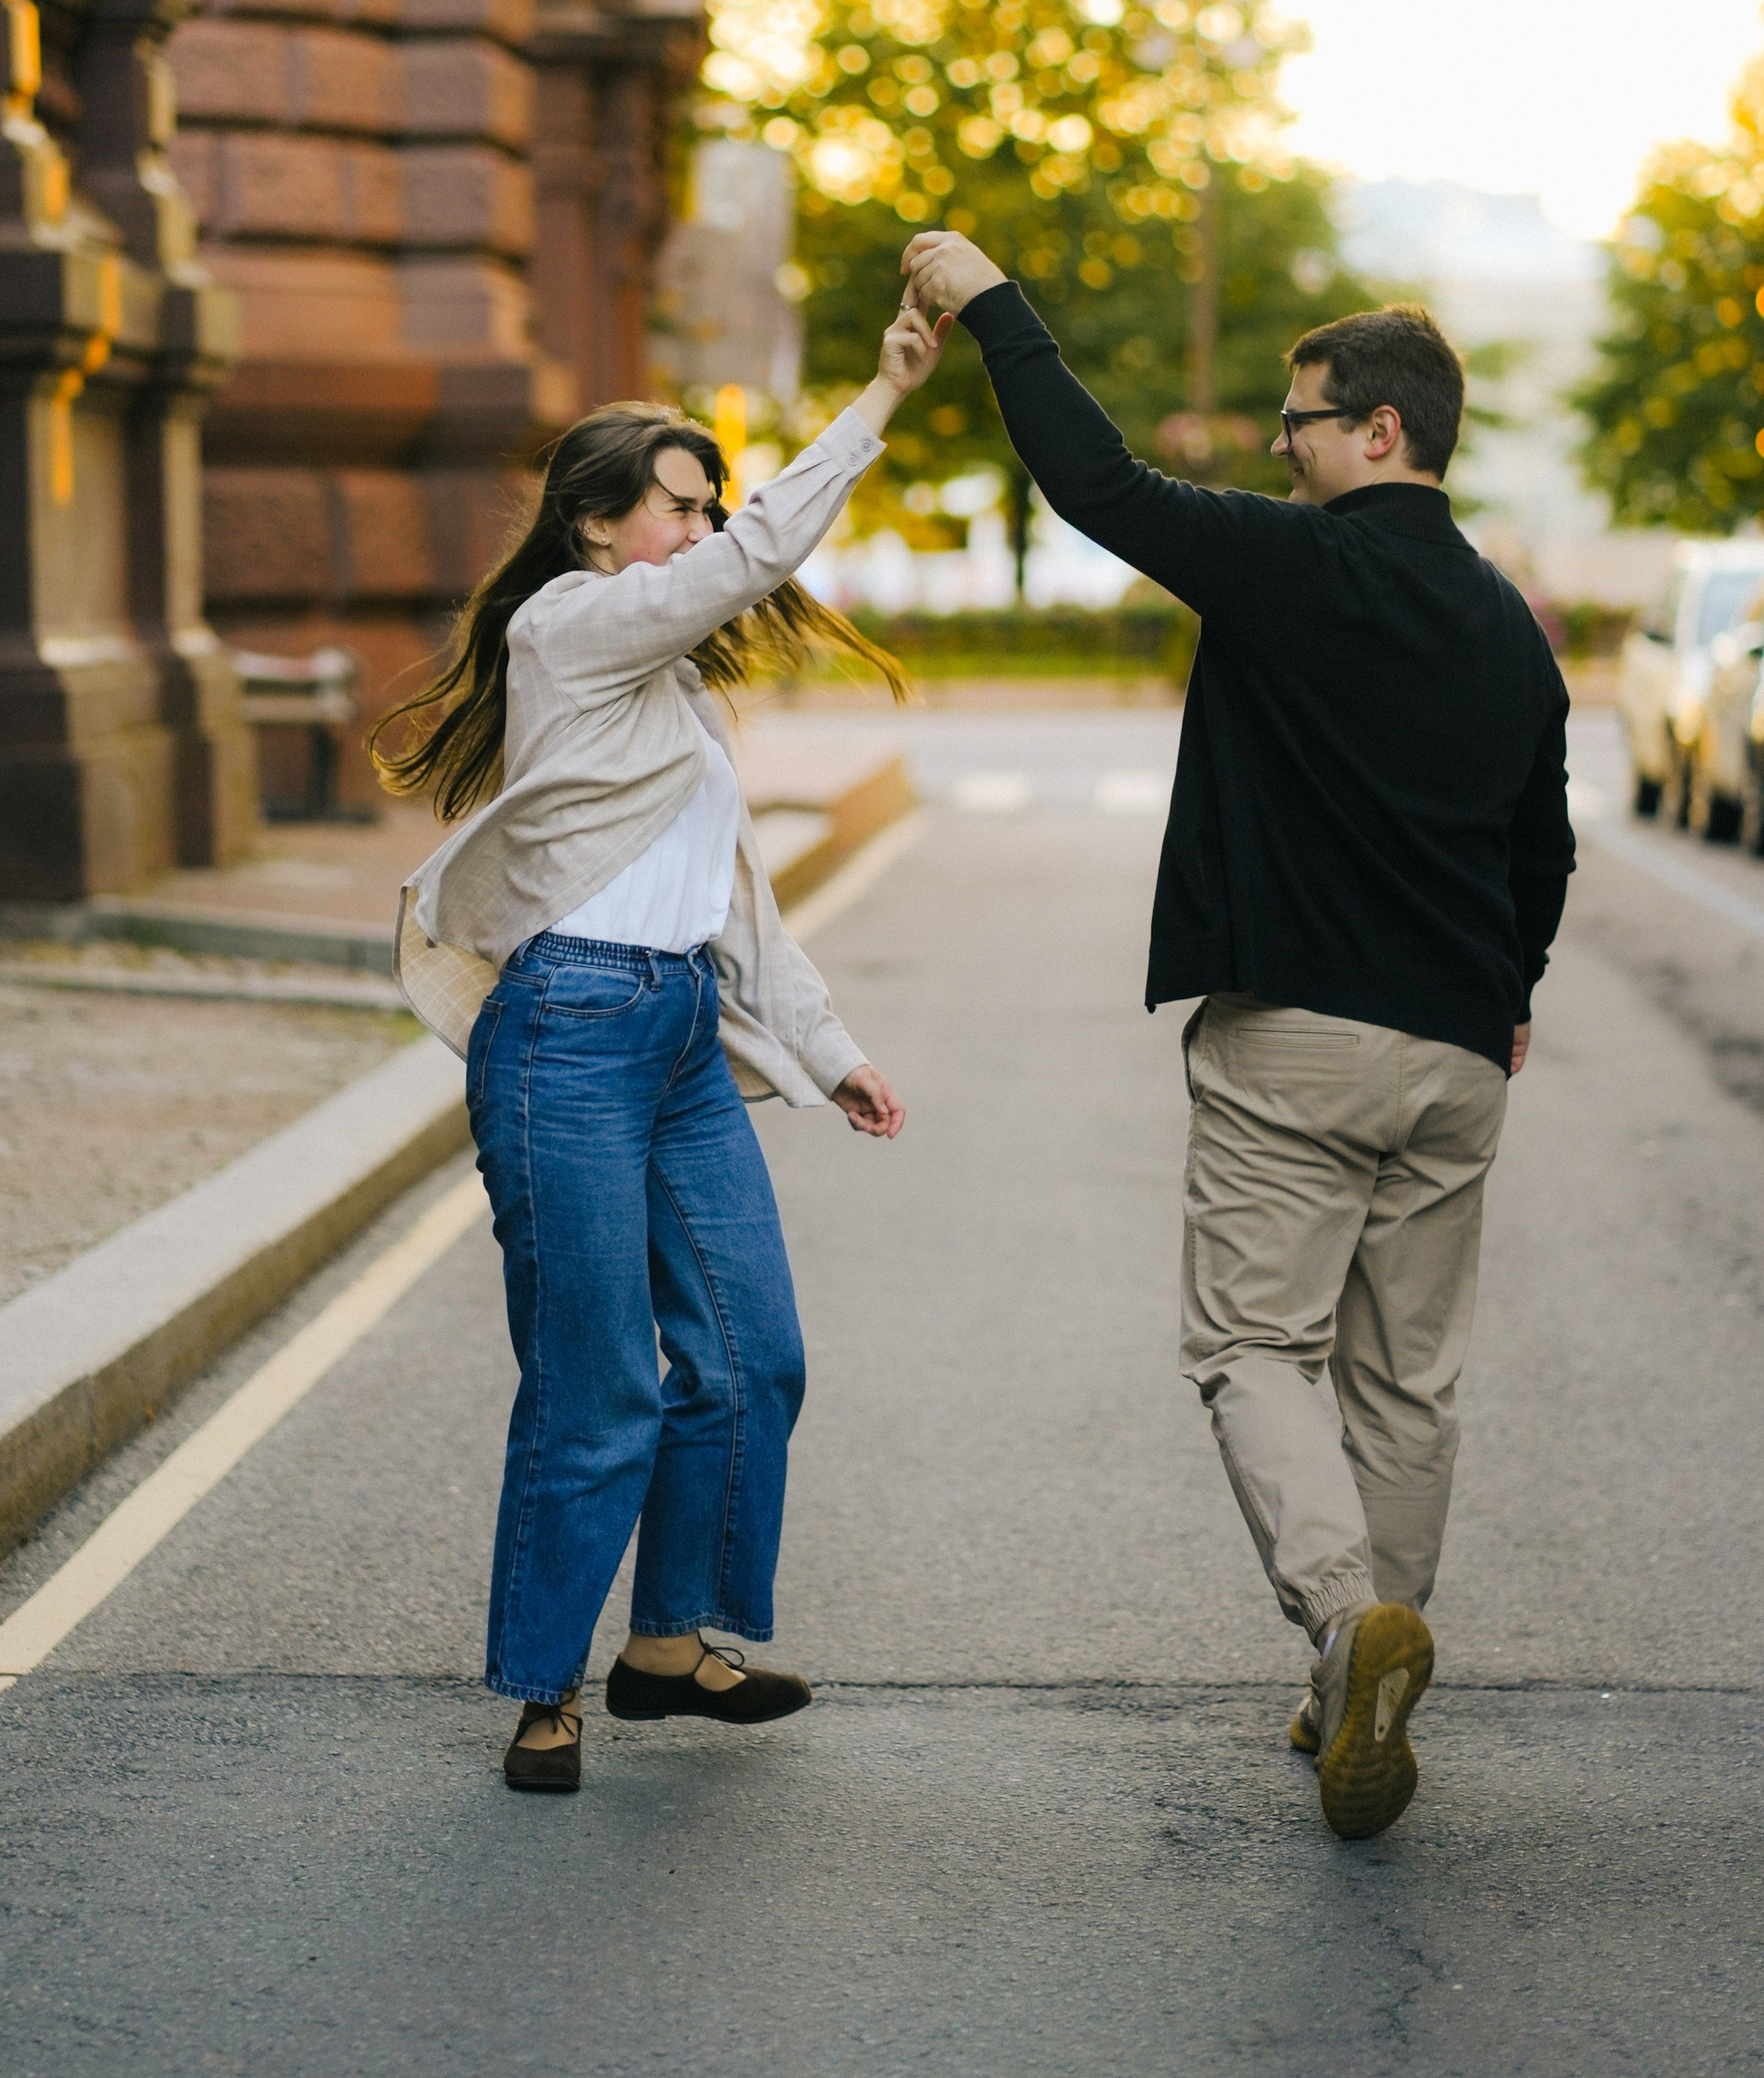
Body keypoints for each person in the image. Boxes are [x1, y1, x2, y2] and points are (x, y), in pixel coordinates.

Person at [901, 230, 1574, 1843]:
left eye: (1297, 421)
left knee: (1249, 1350)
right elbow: (1536, 847)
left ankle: (1348, 1626)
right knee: (1403, 1381)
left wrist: (997, 305)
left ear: (1378, 435)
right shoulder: (1504, 626)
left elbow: (1099, 486)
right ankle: (1364, 1671)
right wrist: (1508, 997)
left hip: (1295, 1034)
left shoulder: (1294, 566)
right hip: (1455, 1055)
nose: (1278, 448)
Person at [378, 292, 951, 1794]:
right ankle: (544, 1689)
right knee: (600, 1382)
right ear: (593, 528)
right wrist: (881, 395)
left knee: (754, 1357)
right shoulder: (571, 631)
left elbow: (736, 902)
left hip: (682, 1032)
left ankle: (669, 1644)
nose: (706, 535)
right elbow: (768, 551)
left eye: (708, 510)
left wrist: (831, 1052)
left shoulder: (675, 691)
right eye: (682, 511)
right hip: (565, 1030)